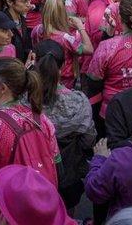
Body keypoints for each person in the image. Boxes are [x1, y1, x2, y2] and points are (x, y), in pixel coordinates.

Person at [0, 57, 60, 224]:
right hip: (37, 208)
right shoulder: (42, 120)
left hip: (3, 212)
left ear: (3, 88)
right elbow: (55, 163)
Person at [34, 40, 96, 212]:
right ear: (62, 67)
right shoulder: (78, 101)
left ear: (34, 61)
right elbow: (88, 138)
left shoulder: (22, 98)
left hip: (32, 169)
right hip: (68, 170)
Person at [32, 0, 94, 89]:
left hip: (41, 75)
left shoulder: (36, 30)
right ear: (63, 13)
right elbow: (89, 49)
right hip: (63, 81)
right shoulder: (65, 38)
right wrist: (80, 27)